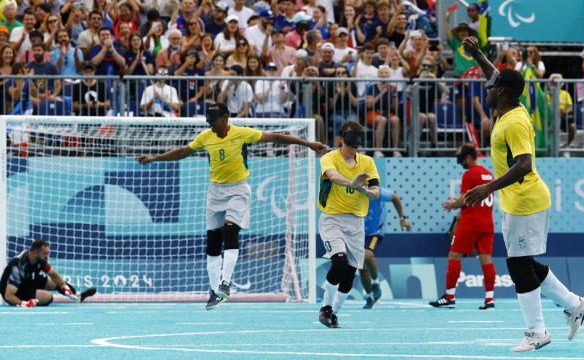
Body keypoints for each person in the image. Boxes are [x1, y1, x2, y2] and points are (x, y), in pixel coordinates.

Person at [462, 36, 584, 352]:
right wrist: (479, 54)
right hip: (517, 201)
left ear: (501, 92)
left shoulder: (516, 122)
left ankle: (537, 332)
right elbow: (497, 76)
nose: (487, 88)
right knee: (525, 262)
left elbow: (524, 164)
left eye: (492, 87)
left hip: (526, 201)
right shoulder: (508, 108)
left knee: (519, 265)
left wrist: (486, 188)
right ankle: (575, 304)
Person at [137, 103, 325, 310]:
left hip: (238, 189)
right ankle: (213, 291)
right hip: (215, 191)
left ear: (225, 117)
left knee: (230, 229)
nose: (211, 126)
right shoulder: (206, 137)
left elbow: (275, 137)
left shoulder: (242, 133)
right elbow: (183, 151)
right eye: (209, 122)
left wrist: (307, 144)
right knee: (213, 242)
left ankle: (225, 283)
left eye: (214, 122)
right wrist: (154, 158)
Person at [318, 121, 380, 328]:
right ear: (341, 139)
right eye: (351, 141)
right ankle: (325, 307)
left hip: (356, 223)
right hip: (332, 219)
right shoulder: (329, 158)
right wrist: (352, 183)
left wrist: (363, 190)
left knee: (350, 273)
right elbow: (333, 176)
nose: (354, 146)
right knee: (339, 263)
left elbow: (375, 192)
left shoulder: (368, 162)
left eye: (357, 142)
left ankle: (333, 312)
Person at [430, 143, 495, 310]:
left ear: (468, 157)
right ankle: (490, 300)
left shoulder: (469, 174)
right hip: (487, 223)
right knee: (486, 259)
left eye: (461, 159)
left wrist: (452, 205)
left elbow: (464, 199)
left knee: (454, 256)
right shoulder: (488, 174)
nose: (460, 163)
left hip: (470, 222)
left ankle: (449, 296)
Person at [0, 239, 97, 307]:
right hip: (12, 290)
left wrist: (66, 288)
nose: (47, 256)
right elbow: (8, 295)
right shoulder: (18, 266)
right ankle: (29, 298)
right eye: (45, 254)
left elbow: (54, 274)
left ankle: (78, 296)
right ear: (36, 253)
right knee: (48, 297)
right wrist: (24, 303)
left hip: (26, 281)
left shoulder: (38, 259)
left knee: (54, 282)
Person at [361, 186, 411, 309]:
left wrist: (402, 219)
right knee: (360, 267)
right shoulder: (351, 191)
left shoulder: (377, 192)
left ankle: (376, 283)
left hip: (374, 232)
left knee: (367, 254)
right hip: (357, 233)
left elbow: (395, 198)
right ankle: (369, 297)